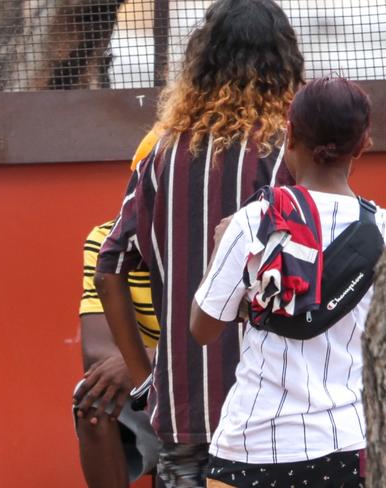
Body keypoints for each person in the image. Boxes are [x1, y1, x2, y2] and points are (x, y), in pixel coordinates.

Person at [94, 0, 304, 486]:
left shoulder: (162, 157)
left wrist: (147, 378)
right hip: (273, 410)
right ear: (285, 63)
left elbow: (110, 269)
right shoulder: (290, 158)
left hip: (183, 405)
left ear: (203, 63)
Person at [191, 77, 382, 487]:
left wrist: (223, 253)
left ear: (289, 133)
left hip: (255, 445)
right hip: (352, 446)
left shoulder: (255, 221)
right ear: (362, 145)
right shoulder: (382, 231)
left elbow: (203, 329)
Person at [74, 217, 161, 488]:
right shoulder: (106, 237)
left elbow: (226, 345)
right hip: (145, 384)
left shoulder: (211, 235)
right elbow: (95, 351)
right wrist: (145, 366)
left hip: (207, 383)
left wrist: (145, 360)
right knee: (93, 399)